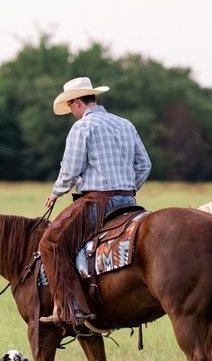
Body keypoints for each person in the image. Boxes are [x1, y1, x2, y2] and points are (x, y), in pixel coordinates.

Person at [38, 76, 152, 328]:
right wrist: (129, 189)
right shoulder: (125, 124)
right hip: (128, 201)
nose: (71, 112)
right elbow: (144, 165)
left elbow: (71, 168)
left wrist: (57, 191)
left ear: (77, 102)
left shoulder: (83, 127)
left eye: (70, 107)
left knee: (50, 243)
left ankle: (72, 307)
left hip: (97, 202)